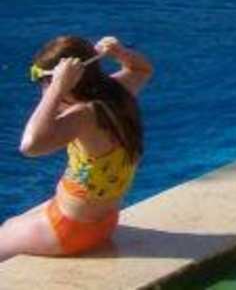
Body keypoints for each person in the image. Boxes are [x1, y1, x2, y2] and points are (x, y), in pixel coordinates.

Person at [0, 35, 152, 262]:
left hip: (70, 230)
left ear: (65, 79)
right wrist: (121, 53)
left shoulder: (84, 115)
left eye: (44, 82)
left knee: (4, 236)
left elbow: (30, 146)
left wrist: (57, 89)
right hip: (104, 223)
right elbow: (142, 69)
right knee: (13, 223)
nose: (42, 88)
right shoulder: (117, 92)